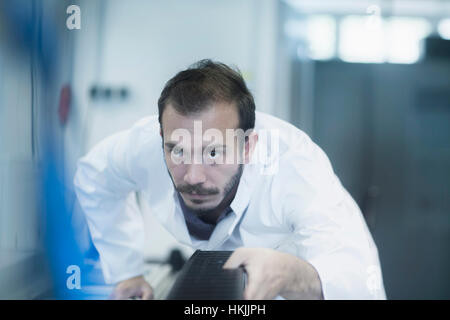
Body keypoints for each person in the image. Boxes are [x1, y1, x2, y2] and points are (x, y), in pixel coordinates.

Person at [74, 59, 386, 300]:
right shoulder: (144, 145)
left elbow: (359, 278)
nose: (193, 177)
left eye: (213, 154)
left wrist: (294, 275)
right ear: (161, 139)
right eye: (178, 151)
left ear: (248, 146)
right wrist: (126, 271)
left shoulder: (294, 166)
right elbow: (95, 178)